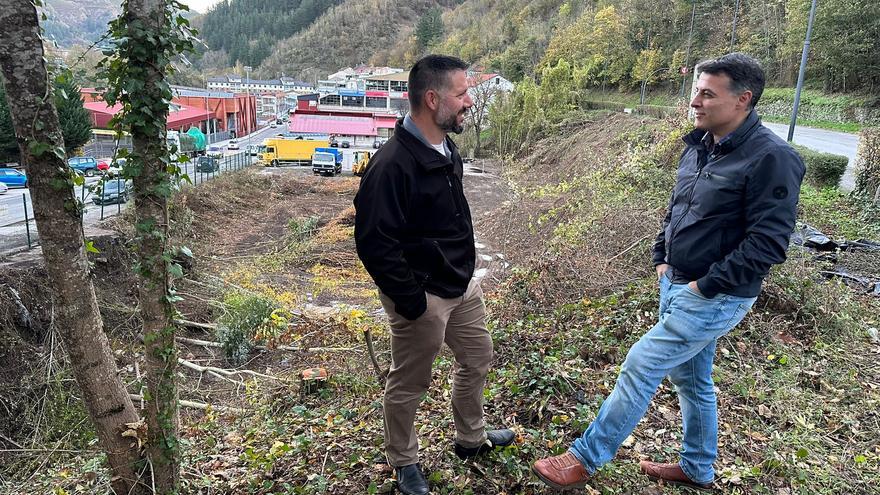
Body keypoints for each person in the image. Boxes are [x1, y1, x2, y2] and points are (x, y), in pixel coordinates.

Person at [532, 53, 806, 491]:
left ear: (743, 100)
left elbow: (768, 244)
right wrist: (662, 256)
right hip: (675, 280)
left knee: (642, 363)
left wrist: (706, 285)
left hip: (716, 296)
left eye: (706, 93)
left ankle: (584, 458)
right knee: (694, 379)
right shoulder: (699, 145)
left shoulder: (772, 158)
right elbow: (679, 208)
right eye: (695, 90)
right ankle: (698, 467)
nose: (694, 101)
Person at [354, 54, 514, 495]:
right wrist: (413, 301)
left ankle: (470, 437)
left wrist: (465, 271)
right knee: (409, 383)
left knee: (478, 356)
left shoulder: (446, 147)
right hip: (423, 296)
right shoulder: (390, 166)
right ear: (432, 98)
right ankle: (403, 461)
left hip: (461, 285)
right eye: (461, 94)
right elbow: (373, 243)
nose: (469, 102)